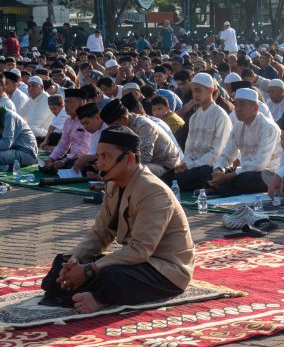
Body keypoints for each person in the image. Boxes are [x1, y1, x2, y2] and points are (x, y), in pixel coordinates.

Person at [39, 126, 194, 312]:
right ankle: (86, 293)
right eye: (99, 156)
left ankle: (101, 300)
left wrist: (90, 270)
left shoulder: (153, 191)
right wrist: (75, 260)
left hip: (165, 270)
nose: (100, 163)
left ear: (129, 159)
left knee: (112, 276)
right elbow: (99, 234)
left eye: (107, 156)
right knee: (61, 262)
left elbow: (140, 251)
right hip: (137, 263)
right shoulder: (113, 185)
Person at [210, 88, 280, 196]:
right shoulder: (238, 126)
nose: (237, 109)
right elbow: (227, 154)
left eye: (242, 105)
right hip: (244, 171)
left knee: (246, 179)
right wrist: (218, 170)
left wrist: (229, 176)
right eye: (236, 105)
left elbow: (259, 165)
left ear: (256, 108)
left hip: (267, 174)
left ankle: (220, 188)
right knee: (208, 172)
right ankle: (222, 187)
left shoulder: (268, 127)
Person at [169, 73, 232, 192]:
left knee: (200, 174)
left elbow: (216, 154)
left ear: (210, 91)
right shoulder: (194, 117)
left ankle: (211, 189)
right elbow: (189, 148)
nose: (195, 95)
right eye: (193, 91)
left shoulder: (220, 116)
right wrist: (185, 164)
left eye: (198, 91)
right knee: (168, 178)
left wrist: (190, 166)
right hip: (193, 167)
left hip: (211, 168)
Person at [101, 97, 181, 179]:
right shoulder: (123, 126)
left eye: (115, 125)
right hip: (148, 164)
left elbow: (143, 160)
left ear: (124, 119)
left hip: (167, 167)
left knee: (133, 170)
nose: (114, 129)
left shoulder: (144, 125)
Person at [43, 89, 91, 172]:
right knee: (46, 166)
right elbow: (63, 144)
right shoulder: (68, 121)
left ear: (82, 103)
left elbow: (85, 149)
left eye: (70, 102)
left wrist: (65, 161)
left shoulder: (88, 120)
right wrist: (51, 158)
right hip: (71, 157)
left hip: (85, 159)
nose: (66, 106)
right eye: (65, 102)